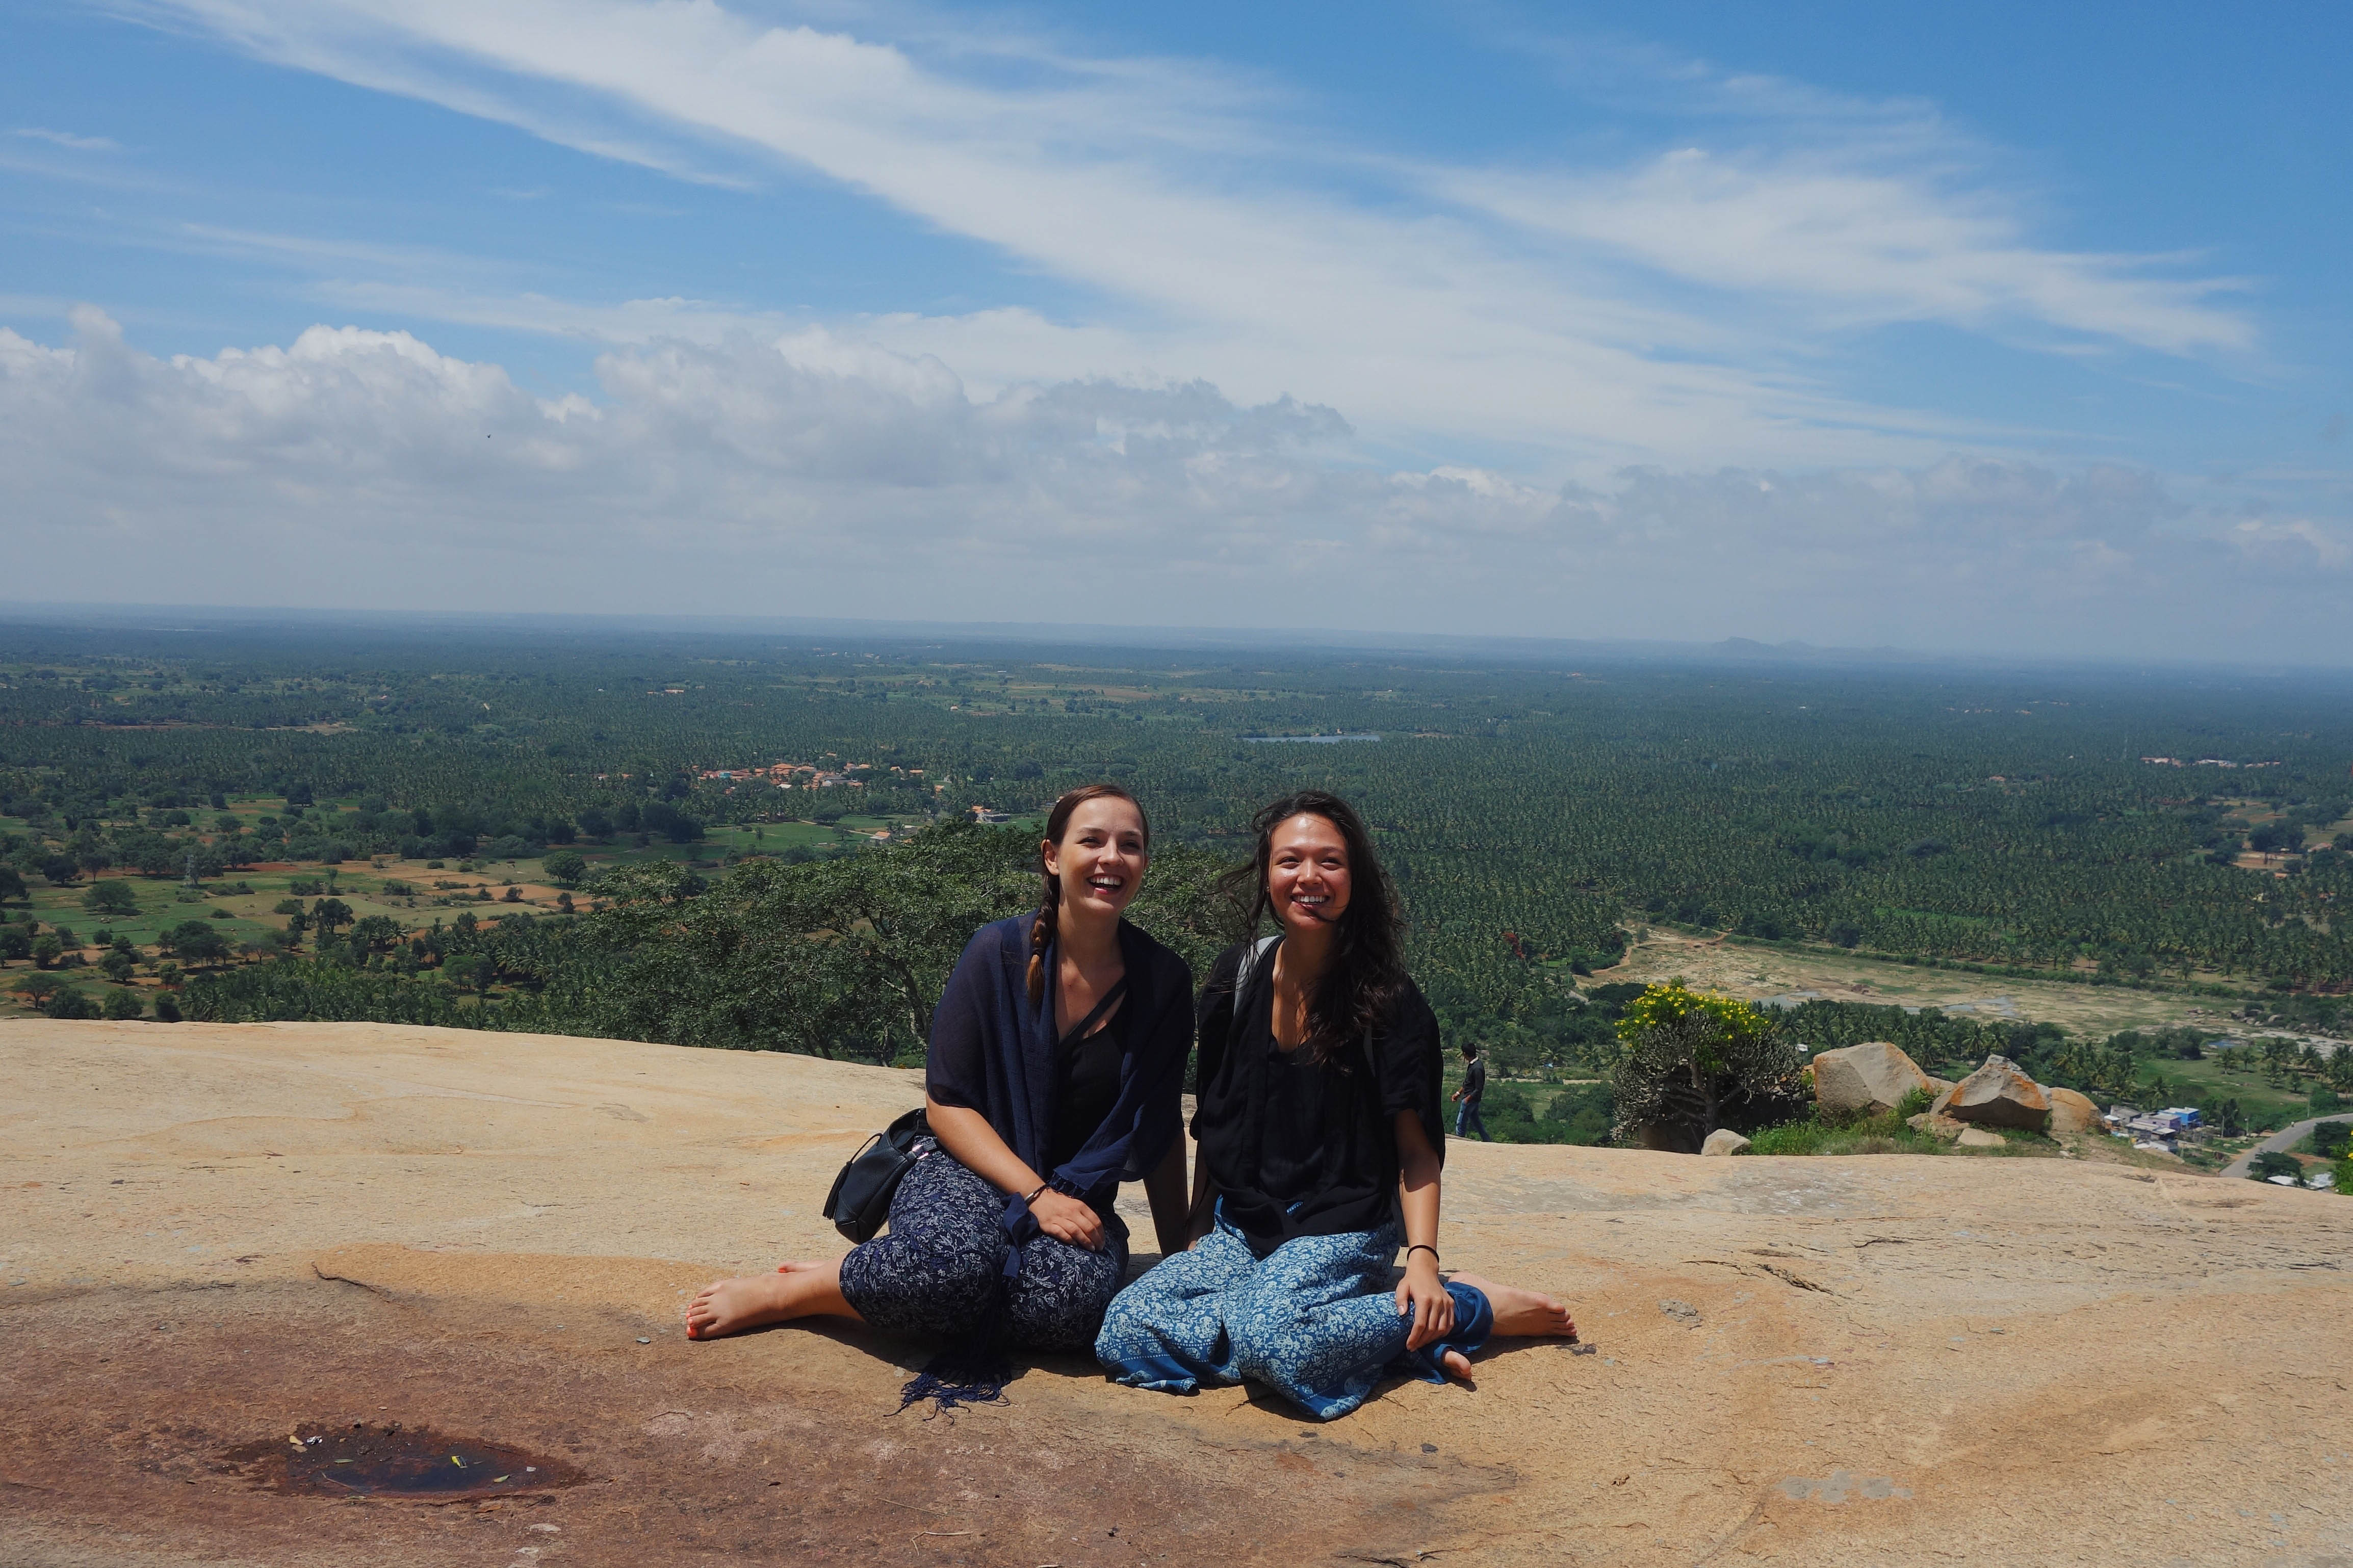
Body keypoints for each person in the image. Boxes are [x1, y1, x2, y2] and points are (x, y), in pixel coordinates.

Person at [685, 785, 1195, 1403]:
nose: (1111, 857)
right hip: (966, 1166)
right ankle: (803, 1288)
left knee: (1074, 1307)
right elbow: (947, 1102)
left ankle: (895, 1287)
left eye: (1130, 845)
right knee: (950, 1266)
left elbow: (1158, 1125)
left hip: (1078, 1192)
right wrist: (1034, 1195)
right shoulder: (997, 954)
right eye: (1092, 840)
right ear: (1052, 856)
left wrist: (1179, 1262)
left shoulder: (1162, 981)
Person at [1096, 790, 1575, 1421]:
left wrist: (1424, 1263)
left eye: (1330, 862)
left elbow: (1415, 1150)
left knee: (1272, 1339)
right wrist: (1194, 1233)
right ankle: (1386, 1340)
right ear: (1267, 874)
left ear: (1355, 878)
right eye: (1290, 861)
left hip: (1343, 1226)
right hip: (1243, 1228)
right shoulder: (1234, 978)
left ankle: (1463, 1306)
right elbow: (1216, 1123)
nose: (1309, 878)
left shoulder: (1387, 1001)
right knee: (1124, 1328)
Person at [1452, 1042, 1489, 1141]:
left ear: (1465, 1054)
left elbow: (1479, 1088)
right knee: (1476, 1122)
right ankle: (1488, 1141)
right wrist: (1458, 1093)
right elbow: (1467, 1082)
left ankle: (1460, 1142)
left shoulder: (1477, 1068)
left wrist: (1467, 1099)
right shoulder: (1473, 1065)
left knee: (1461, 1123)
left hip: (1471, 1099)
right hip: (1471, 1099)